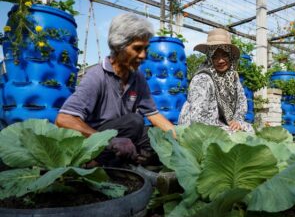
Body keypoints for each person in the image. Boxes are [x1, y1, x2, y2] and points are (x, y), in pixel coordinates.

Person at [56, 13, 174, 167]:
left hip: (123, 135)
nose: (143, 55)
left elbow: (154, 115)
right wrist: (108, 141)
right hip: (95, 138)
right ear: (119, 46)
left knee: (156, 138)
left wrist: (179, 136)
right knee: (134, 121)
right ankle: (94, 163)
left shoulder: (138, 78)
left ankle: (128, 161)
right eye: (138, 49)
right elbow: (64, 119)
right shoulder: (97, 76)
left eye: (146, 49)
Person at [178, 28, 254, 133]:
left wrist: (237, 121)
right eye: (215, 56)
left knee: (249, 129)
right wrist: (225, 129)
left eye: (224, 55)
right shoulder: (202, 79)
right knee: (233, 134)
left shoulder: (232, 77)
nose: (221, 61)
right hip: (197, 127)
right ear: (209, 57)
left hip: (219, 123)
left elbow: (242, 102)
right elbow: (197, 117)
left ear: (230, 56)